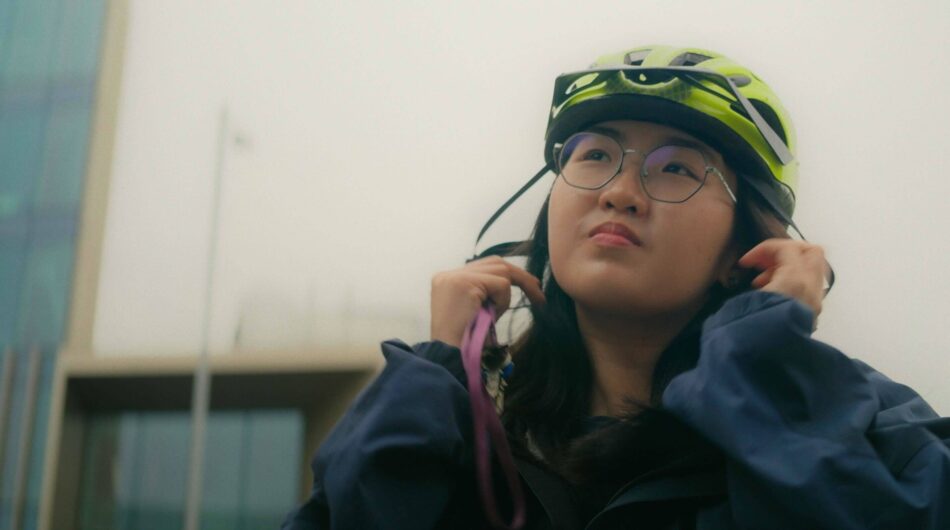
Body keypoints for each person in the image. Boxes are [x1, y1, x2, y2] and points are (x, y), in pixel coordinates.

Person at [281, 45, 950, 529]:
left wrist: (766, 367)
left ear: (746, 248)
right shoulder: (458, 434)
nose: (620, 193)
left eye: (676, 168)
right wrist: (433, 371)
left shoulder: (870, 425)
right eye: (595, 154)